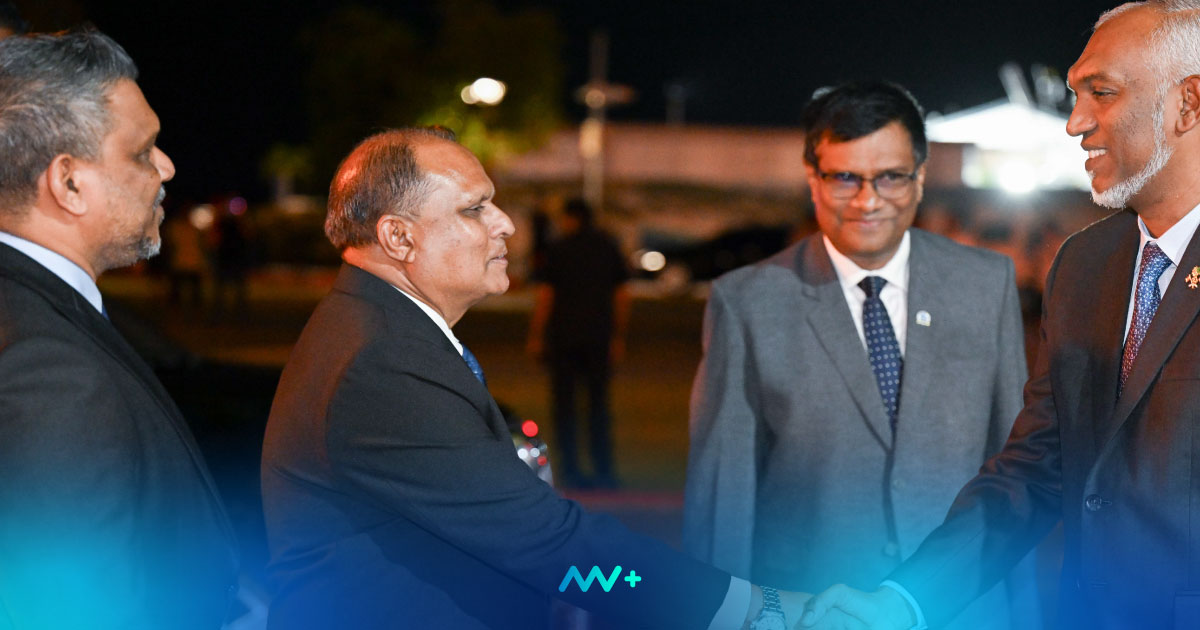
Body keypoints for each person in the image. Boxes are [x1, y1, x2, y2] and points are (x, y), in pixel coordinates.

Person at [260, 127, 821, 630]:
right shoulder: (385, 359)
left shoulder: (379, 326)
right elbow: (553, 550)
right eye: (474, 209)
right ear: (399, 238)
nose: (504, 223)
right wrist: (755, 610)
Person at [801, 2, 1200, 629]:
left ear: (1188, 103)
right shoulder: (1083, 265)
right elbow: (1037, 467)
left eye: (1102, 93)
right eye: (1075, 95)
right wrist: (906, 599)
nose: (1075, 123)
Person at [682, 81, 1034, 630]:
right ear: (812, 178)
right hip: (810, 611)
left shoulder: (985, 284)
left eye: (890, 176)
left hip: (960, 610)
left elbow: (1017, 474)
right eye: (845, 177)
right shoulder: (747, 301)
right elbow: (722, 503)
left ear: (920, 177)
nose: (868, 200)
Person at [0, 30, 238, 628]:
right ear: (68, 182)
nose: (167, 166)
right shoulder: (50, 370)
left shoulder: (35, 311)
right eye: (142, 151)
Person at [527, 197, 631, 488]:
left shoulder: (559, 249)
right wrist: (617, 336)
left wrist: (536, 335)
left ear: (570, 218)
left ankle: (571, 469)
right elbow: (621, 296)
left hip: (564, 338)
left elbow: (547, 296)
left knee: (565, 408)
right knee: (598, 406)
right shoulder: (607, 247)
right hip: (598, 337)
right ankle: (604, 470)